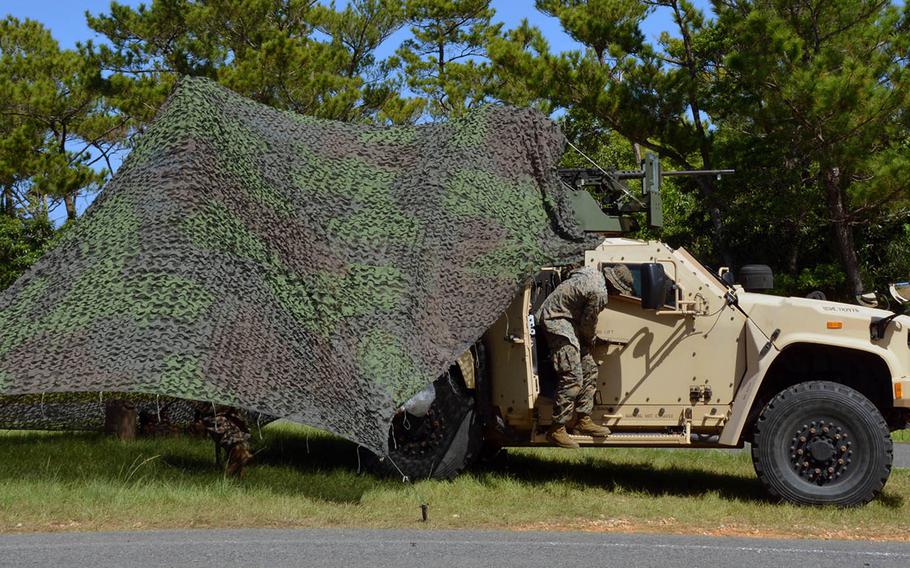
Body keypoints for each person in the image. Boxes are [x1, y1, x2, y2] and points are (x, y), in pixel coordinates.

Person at [538, 264, 634, 448]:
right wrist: (592, 341)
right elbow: (587, 325)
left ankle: (583, 419)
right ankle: (557, 429)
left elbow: (569, 270)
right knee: (572, 376)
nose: (617, 294)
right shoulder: (599, 294)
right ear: (614, 285)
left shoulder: (590, 271)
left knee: (589, 368)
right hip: (556, 321)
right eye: (619, 291)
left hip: (565, 319)